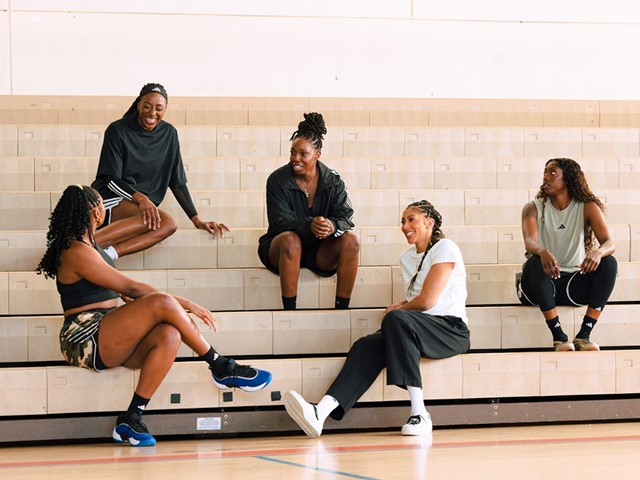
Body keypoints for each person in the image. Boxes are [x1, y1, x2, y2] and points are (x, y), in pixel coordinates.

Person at [36, 185, 271, 447]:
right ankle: (221, 366)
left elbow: (122, 293)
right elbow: (131, 288)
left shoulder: (91, 245)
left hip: (109, 333)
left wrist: (153, 304)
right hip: (85, 338)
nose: (106, 209)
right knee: (160, 302)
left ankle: (130, 419)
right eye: (103, 203)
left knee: (169, 334)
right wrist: (187, 304)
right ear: (94, 211)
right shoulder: (75, 250)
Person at [283, 200, 470, 438]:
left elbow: (427, 301)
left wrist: (399, 310)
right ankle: (320, 412)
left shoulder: (445, 247)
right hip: (418, 329)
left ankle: (420, 413)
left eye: (411, 219)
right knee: (366, 345)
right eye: (402, 221)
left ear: (429, 222)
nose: (405, 226)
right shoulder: (407, 258)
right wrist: (401, 306)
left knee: (396, 320)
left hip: (450, 330)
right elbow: (416, 302)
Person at [91, 82, 228, 260]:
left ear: (166, 109)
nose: (152, 113)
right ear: (139, 104)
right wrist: (142, 199)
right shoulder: (117, 130)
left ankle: (108, 255)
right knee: (163, 220)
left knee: (168, 224)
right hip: (112, 197)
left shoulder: (169, 133)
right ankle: (81, 244)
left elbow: (177, 181)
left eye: (159, 108)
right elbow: (110, 179)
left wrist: (197, 220)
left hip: (142, 204)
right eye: (147, 106)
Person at [258, 112, 360, 310]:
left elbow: (346, 217)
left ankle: (342, 309)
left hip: (319, 250)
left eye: (303, 154)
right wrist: (309, 224)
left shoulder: (333, 181)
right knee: (291, 240)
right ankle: (290, 311)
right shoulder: (277, 180)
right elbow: (279, 222)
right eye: (292, 152)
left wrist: (332, 225)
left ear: (317, 154)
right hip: (281, 248)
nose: (295, 159)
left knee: (351, 241)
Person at [518, 158, 617, 351]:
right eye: (545, 172)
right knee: (534, 262)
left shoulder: (587, 206)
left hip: (572, 285)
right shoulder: (533, 207)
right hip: (539, 286)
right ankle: (559, 337)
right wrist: (543, 251)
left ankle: (584, 335)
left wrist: (598, 252)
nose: (546, 177)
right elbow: (530, 241)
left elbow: (609, 243)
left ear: (569, 178)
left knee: (609, 263)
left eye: (552, 172)